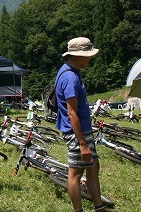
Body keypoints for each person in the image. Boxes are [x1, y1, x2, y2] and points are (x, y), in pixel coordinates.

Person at [55, 37, 106, 212]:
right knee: (75, 173)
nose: (90, 58)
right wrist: (82, 143)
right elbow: (72, 112)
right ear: (78, 55)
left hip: (82, 129)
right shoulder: (70, 77)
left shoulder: (71, 71)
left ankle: (98, 207)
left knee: (93, 166)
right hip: (77, 132)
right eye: (88, 55)